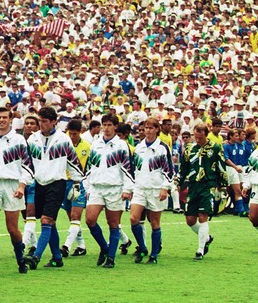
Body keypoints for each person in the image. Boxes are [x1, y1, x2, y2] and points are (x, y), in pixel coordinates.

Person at [23, 106, 83, 270]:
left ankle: (36, 256)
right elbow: (26, 163)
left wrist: (77, 184)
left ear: (54, 122)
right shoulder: (32, 139)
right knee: (50, 222)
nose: (40, 124)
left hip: (57, 184)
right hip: (39, 183)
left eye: (44, 121)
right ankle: (57, 257)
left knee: (46, 220)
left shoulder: (63, 140)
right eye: (40, 121)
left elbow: (73, 162)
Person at [0, 108, 34, 275]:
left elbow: (27, 165)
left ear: (11, 119)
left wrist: (22, 186)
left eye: (4, 117)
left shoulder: (18, 140)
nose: (1, 120)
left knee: (12, 228)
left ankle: (20, 259)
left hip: (12, 186)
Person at [82, 114, 134, 268]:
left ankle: (111, 258)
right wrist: (88, 187)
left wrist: (127, 189)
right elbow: (89, 168)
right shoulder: (95, 144)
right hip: (97, 188)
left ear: (115, 127)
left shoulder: (121, 145)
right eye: (104, 125)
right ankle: (104, 248)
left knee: (113, 223)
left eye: (110, 125)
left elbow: (128, 169)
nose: (106, 128)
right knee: (90, 220)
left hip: (114, 188)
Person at [128, 118, 174, 264]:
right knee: (133, 218)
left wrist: (165, 187)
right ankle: (142, 248)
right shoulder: (139, 147)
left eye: (150, 128)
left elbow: (169, 170)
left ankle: (154, 255)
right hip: (140, 188)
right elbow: (134, 169)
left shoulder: (162, 147)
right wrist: (131, 187)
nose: (147, 130)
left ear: (156, 129)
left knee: (154, 222)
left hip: (155, 188)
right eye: (145, 128)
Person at [178, 124, 225, 260]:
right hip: (192, 186)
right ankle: (207, 238)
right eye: (196, 137)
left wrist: (222, 185)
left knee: (203, 215)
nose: (197, 140)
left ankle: (200, 250)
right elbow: (184, 168)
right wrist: (178, 182)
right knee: (190, 220)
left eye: (200, 137)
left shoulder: (215, 148)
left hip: (207, 185)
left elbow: (221, 166)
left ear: (206, 134)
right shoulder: (189, 149)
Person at [61, 119, 90, 257]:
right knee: (71, 217)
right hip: (63, 184)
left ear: (80, 132)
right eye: (70, 133)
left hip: (77, 184)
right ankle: (81, 246)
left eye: (74, 134)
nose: (72, 136)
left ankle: (66, 246)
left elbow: (90, 168)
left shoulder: (87, 147)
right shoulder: (62, 144)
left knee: (75, 216)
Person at [21, 114, 40, 252]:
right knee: (24, 214)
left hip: (35, 181)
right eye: (27, 123)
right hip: (20, 181)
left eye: (32, 123)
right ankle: (34, 245)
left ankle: (23, 244)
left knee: (30, 212)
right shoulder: (17, 140)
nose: (29, 125)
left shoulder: (39, 141)